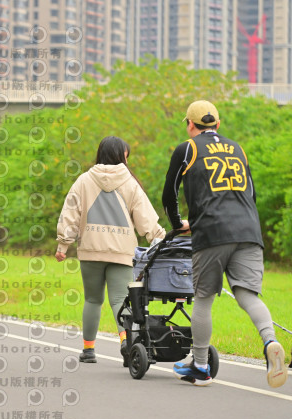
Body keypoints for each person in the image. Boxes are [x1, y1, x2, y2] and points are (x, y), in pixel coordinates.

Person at [162, 100, 287, 388]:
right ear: (218, 124)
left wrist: (178, 224)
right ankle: (270, 341)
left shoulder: (187, 149)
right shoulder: (238, 149)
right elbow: (252, 195)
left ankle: (200, 366)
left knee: (203, 297)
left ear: (190, 125)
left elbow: (169, 194)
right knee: (247, 294)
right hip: (248, 230)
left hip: (212, 232)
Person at [56, 136, 166, 364]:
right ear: (120, 156)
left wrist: (63, 245)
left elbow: (70, 214)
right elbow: (146, 219)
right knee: (120, 301)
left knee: (92, 300)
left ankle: (88, 350)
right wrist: (161, 240)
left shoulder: (84, 181)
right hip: (122, 252)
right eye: (126, 155)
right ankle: (126, 341)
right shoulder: (130, 183)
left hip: (91, 250)